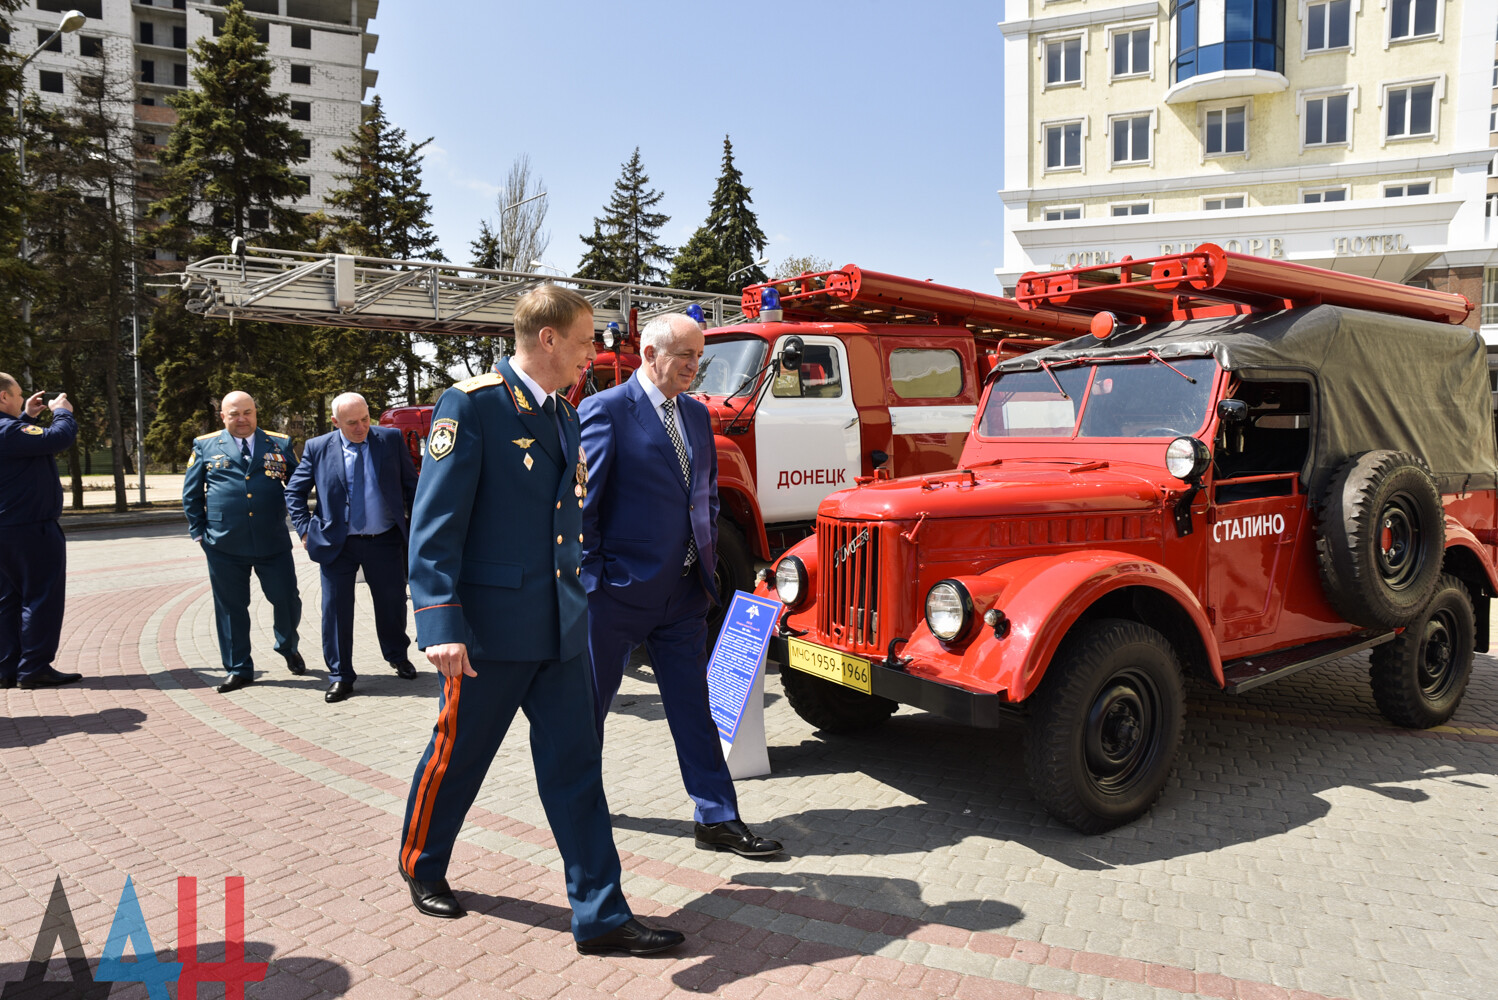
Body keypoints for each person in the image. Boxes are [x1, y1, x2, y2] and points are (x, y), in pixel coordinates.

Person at [397, 284, 683, 956]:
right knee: (458, 757)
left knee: (577, 767)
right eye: (585, 341)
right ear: (548, 338)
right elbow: (435, 528)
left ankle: (602, 914)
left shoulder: (563, 414)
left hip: (558, 628)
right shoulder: (471, 407)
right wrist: (439, 622)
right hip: (488, 634)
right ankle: (422, 862)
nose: (593, 354)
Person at [579, 314, 783, 859]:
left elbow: (706, 495)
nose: (696, 366)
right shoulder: (604, 411)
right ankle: (577, 803)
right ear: (649, 354)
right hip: (616, 596)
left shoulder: (695, 414)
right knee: (588, 707)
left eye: (700, 357)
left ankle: (716, 817)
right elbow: (583, 507)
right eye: (685, 356)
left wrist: (706, 561)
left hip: (685, 594)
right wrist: (595, 579)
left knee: (695, 708)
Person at [285, 392, 419, 704]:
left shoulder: (389, 440)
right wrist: (305, 531)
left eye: (365, 420)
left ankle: (397, 655)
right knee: (335, 611)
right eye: (352, 423)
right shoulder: (318, 448)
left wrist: (416, 529)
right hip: (337, 544)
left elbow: (411, 486)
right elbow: (294, 492)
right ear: (336, 422)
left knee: (392, 603)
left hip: (384, 540)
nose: (361, 428)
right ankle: (340, 675)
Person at [182, 390, 305, 694]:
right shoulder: (206, 445)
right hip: (224, 544)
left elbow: (299, 485)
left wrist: (305, 524)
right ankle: (239, 668)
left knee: (287, 600)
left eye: (247, 412)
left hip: (272, 541)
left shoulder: (279, 443)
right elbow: (191, 493)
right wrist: (199, 532)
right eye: (234, 414)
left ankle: (287, 645)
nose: (242, 419)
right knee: (231, 608)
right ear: (222, 416)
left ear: (256, 412)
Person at [0, 375, 81, 690]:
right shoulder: (8, 430)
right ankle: (35, 667)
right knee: (41, 595)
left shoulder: (10, 429)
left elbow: (19, 442)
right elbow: (57, 438)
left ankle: (7, 668)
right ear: (4, 397)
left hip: (6, 528)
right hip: (30, 527)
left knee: (8, 598)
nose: (22, 399)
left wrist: (27, 417)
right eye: (18, 396)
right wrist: (62, 411)